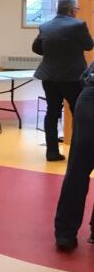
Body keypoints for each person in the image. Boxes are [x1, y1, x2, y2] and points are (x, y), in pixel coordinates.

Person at [31, 0, 93, 161]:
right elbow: (89, 45)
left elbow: (36, 48)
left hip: (49, 77)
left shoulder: (45, 26)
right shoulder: (79, 25)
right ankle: (77, 152)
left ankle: (51, 152)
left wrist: (53, 52)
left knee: (52, 113)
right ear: (72, 10)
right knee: (78, 113)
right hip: (73, 77)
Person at [54, 61, 94, 251]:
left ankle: (65, 233)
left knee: (77, 171)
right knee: (78, 171)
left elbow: (84, 78)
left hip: (88, 99)